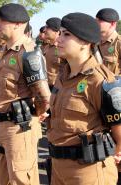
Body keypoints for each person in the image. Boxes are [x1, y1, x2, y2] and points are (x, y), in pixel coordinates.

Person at [47, 12, 120, 185]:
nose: (58, 40)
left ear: (85, 42)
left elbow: (118, 129)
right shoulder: (63, 76)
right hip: (57, 167)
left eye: (66, 35)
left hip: (87, 171)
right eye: (59, 33)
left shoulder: (100, 80)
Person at [0, 3, 51, 185]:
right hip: (1, 125)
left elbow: (43, 96)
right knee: (3, 178)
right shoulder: (6, 51)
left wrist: (36, 113)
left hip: (19, 127)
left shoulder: (28, 54)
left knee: (21, 180)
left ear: (18, 24)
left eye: (2, 20)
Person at [96, 8, 121, 75]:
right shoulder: (93, 42)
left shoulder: (119, 43)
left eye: (100, 20)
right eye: (96, 20)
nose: (96, 22)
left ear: (112, 23)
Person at [41, 17, 62, 90]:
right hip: (44, 85)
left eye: (48, 27)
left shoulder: (62, 48)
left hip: (56, 88)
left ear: (57, 32)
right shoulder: (47, 47)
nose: (44, 30)